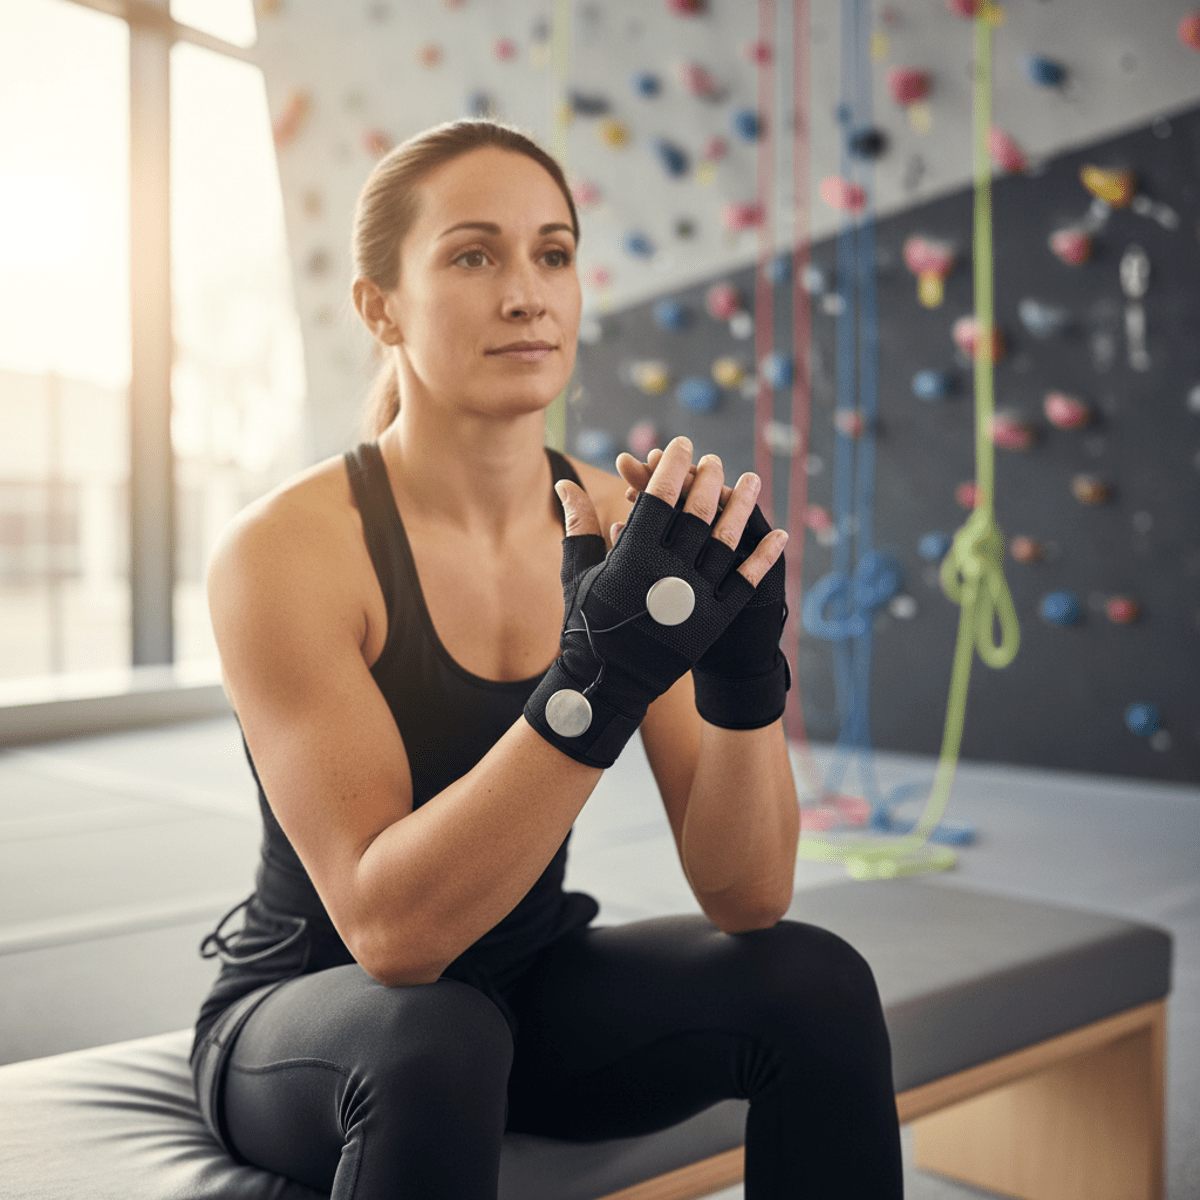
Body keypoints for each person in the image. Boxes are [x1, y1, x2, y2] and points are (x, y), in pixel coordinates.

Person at [190, 118, 903, 1199]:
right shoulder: (287, 551)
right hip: (316, 1017)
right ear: (380, 307)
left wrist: (743, 678)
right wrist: (598, 681)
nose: (527, 294)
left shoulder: (628, 528)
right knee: (437, 1035)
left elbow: (749, 896)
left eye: (553, 254)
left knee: (816, 981)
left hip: (527, 989)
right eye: (474, 256)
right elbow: (393, 937)